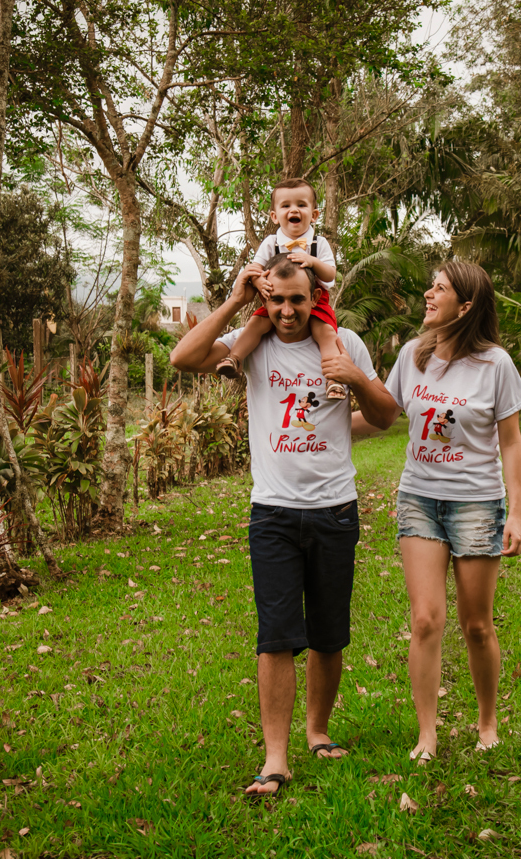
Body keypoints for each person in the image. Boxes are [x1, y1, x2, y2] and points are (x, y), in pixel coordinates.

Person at [171, 253, 399, 797]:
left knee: (328, 633)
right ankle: (275, 759)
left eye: (298, 300)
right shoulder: (254, 347)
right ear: (264, 300)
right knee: (274, 637)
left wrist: (354, 380)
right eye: (276, 300)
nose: (288, 311)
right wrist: (233, 300)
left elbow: (389, 415)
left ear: (314, 299)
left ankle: (317, 732)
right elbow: (183, 357)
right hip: (272, 511)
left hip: (335, 510)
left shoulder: (345, 344)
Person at [353, 261, 521, 762]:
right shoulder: (413, 355)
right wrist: (326, 427)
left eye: (440, 288)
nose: (428, 293)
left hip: (477, 501)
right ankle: (427, 734)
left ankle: (487, 721)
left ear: (465, 306)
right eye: (430, 283)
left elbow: (511, 444)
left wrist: (514, 513)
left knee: (477, 624)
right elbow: (381, 416)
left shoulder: (496, 364)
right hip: (420, 498)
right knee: (427, 620)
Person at [215, 178, 355, 400]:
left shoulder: (319, 243)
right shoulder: (271, 243)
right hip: (277, 299)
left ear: (314, 214)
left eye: (301, 204)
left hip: (315, 302)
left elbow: (330, 274)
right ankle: (235, 359)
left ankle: (333, 380)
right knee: (254, 324)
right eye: (286, 206)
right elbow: (255, 269)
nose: (294, 210)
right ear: (274, 216)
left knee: (327, 334)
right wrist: (260, 281)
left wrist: (313, 261)